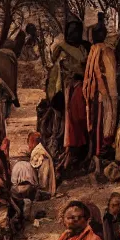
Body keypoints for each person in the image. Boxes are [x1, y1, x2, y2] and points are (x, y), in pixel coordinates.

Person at [48, 21, 90, 173]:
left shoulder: (84, 47)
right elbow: (53, 61)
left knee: (77, 122)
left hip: (80, 89)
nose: (74, 34)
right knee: (61, 123)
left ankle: (77, 154)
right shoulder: (62, 48)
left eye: (76, 31)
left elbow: (82, 62)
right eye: (71, 31)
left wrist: (63, 46)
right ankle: (64, 154)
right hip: (64, 90)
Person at [82, 23, 117, 162]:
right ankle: (95, 151)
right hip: (94, 93)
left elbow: (110, 75)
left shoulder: (107, 50)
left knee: (102, 122)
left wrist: (107, 93)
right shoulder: (95, 49)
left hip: (103, 94)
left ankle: (100, 151)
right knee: (95, 121)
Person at [27, 132, 58, 197]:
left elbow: (35, 164)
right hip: (45, 166)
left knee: (44, 181)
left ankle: (45, 194)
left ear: (33, 142)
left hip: (45, 168)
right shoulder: (41, 147)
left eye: (29, 143)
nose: (29, 146)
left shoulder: (38, 150)